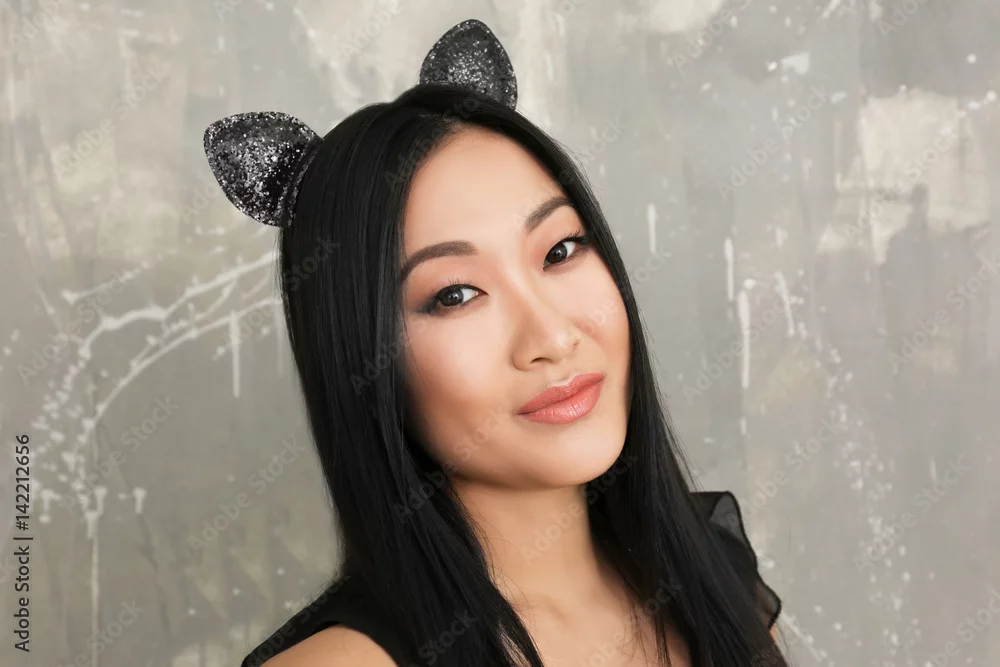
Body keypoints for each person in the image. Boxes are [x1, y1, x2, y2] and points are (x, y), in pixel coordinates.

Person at [204, 19, 786, 667]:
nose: (552, 336)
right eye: (455, 294)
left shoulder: (710, 578)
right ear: (364, 358)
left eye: (560, 250)